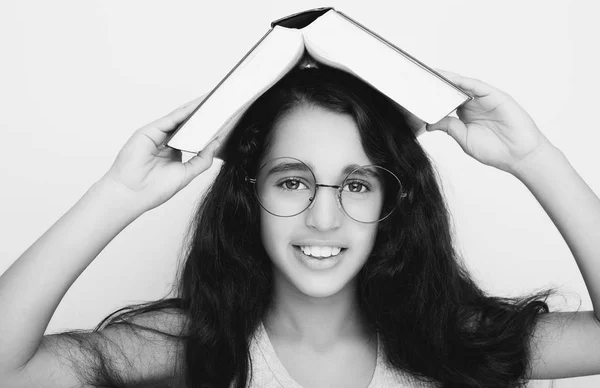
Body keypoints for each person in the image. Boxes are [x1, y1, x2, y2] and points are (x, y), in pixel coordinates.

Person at [1, 63, 599, 388]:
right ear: (249, 193)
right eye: (292, 180)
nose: (323, 216)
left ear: (393, 203)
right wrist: (119, 193)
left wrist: (533, 158)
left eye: (357, 185)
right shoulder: (186, 346)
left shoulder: (451, 338)